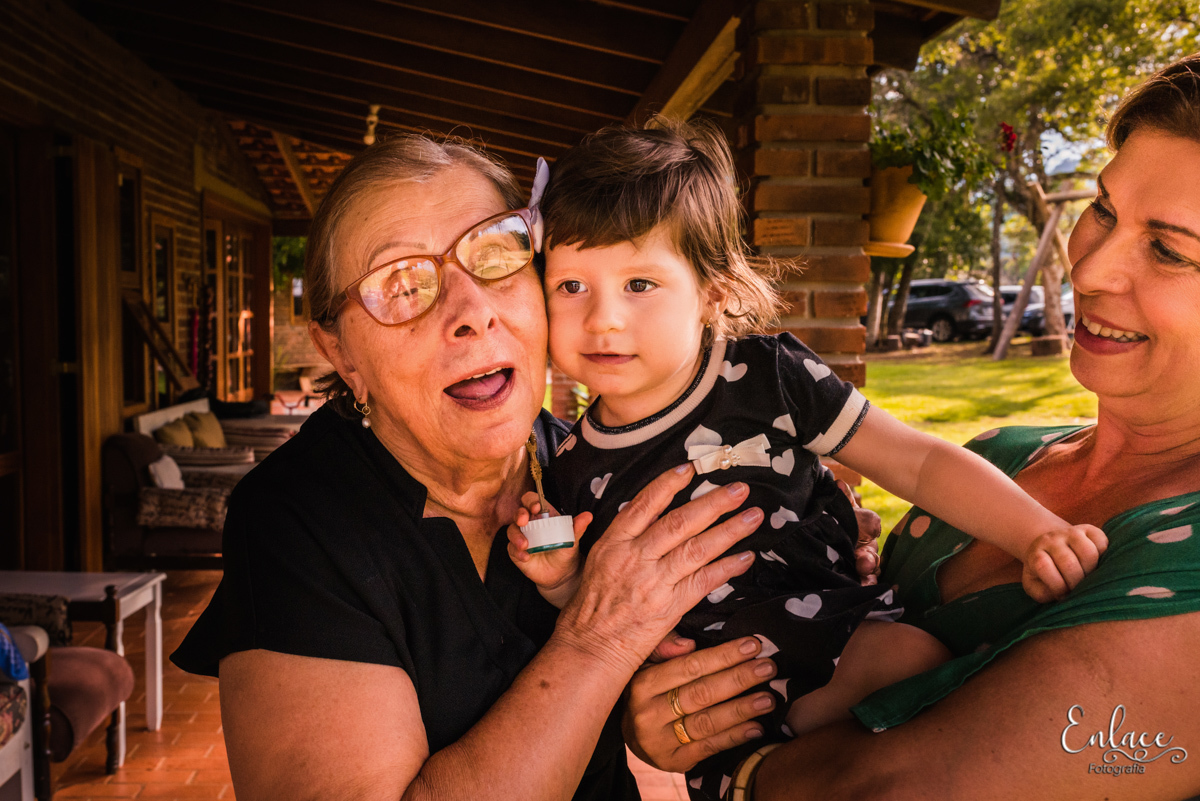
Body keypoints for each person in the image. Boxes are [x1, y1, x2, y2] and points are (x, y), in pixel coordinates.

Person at [622, 54, 1200, 801]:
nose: (1088, 271)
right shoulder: (1001, 456)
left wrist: (737, 770)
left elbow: (901, 789)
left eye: (1169, 250)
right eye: (1104, 209)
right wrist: (683, 696)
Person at [504, 121, 1105, 799]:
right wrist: (559, 580)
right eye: (572, 286)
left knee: (916, 664)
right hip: (721, 708)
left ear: (712, 290)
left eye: (639, 283)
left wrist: (1033, 530)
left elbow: (914, 461)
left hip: (839, 640)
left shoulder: (767, 379)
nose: (603, 318)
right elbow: (596, 604)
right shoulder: (569, 463)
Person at [169, 134, 774, 801]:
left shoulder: (593, 466)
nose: (471, 312)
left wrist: (797, 554)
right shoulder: (295, 521)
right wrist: (601, 646)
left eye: (495, 253)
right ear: (341, 353)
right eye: (401, 285)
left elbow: (694, 665)